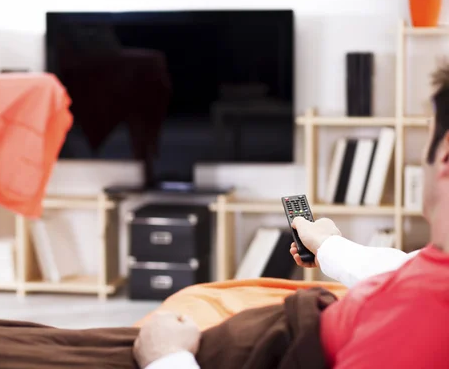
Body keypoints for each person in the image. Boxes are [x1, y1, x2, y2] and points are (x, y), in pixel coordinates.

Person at [133, 63, 449, 368]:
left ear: (444, 156)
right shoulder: (433, 277)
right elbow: (402, 269)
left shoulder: (421, 320)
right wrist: (327, 245)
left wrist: (168, 358)